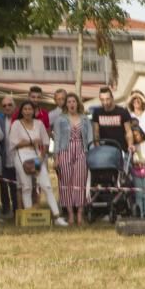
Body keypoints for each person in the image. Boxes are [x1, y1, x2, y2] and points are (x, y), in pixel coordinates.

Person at [10, 100, 66, 225]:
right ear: (21, 111)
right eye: (25, 109)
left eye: (30, 109)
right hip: (21, 156)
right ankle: (29, 216)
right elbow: (13, 143)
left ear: (34, 111)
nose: (27, 111)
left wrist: (41, 157)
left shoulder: (39, 123)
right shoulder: (16, 124)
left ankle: (57, 217)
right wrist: (30, 142)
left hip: (36, 156)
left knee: (46, 185)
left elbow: (45, 142)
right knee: (27, 186)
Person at [53, 94, 91, 226]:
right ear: (66, 105)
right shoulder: (60, 119)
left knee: (80, 182)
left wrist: (90, 154)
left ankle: (80, 213)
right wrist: (56, 157)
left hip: (81, 150)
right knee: (66, 182)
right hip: (65, 150)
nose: (71, 104)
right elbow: (57, 139)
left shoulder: (85, 119)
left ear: (77, 103)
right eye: (68, 102)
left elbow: (90, 138)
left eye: (73, 101)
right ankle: (70, 214)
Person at [92, 86, 133, 152]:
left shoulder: (122, 111)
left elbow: (128, 131)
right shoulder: (97, 112)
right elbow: (96, 133)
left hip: (120, 149)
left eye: (107, 99)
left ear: (112, 98)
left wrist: (130, 145)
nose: (105, 102)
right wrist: (97, 148)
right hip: (104, 149)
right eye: (102, 99)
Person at [0, 95, 18, 216]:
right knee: (3, 186)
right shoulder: (0, 120)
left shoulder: (19, 119)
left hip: (17, 159)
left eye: (10, 104)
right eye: (4, 105)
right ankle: (6, 210)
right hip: (4, 158)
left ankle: (17, 211)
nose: (7, 107)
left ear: (14, 106)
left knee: (16, 187)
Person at [130, 125, 145, 217]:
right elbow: (132, 160)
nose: (136, 137)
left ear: (142, 134)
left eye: (137, 135)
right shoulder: (133, 147)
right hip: (136, 173)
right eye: (134, 136)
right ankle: (140, 213)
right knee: (138, 193)